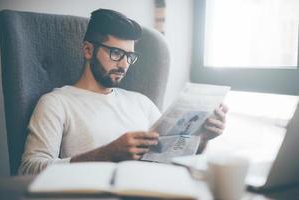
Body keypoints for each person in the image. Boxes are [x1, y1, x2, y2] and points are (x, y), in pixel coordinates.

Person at [18, 9, 228, 175]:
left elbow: (171, 160)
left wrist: (203, 139)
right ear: (88, 50)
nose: (124, 64)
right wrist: (107, 154)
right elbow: (28, 170)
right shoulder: (57, 102)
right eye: (116, 53)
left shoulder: (141, 103)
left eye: (130, 56)